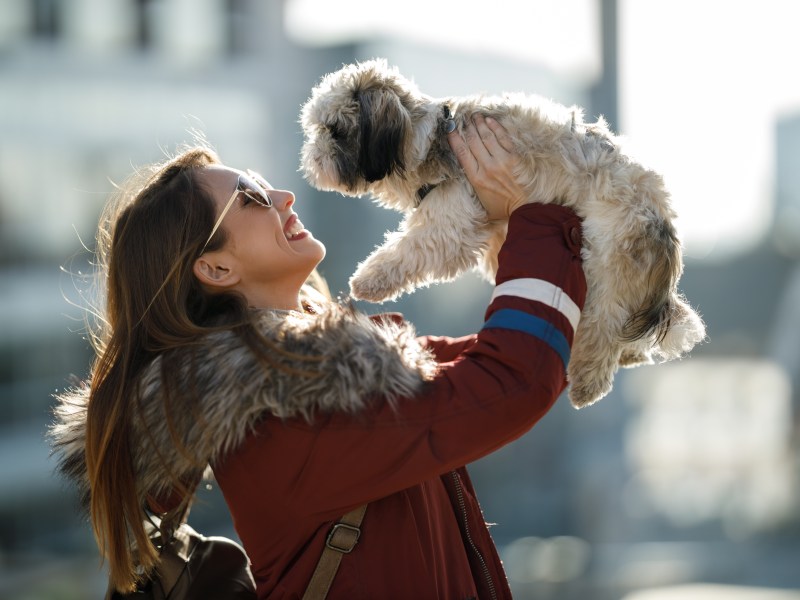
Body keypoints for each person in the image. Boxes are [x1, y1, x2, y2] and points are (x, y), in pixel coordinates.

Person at [51, 114, 586, 599]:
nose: (284, 195)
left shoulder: (320, 378)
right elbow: (514, 380)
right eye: (251, 198)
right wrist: (532, 213)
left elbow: (527, 357)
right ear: (215, 270)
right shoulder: (287, 420)